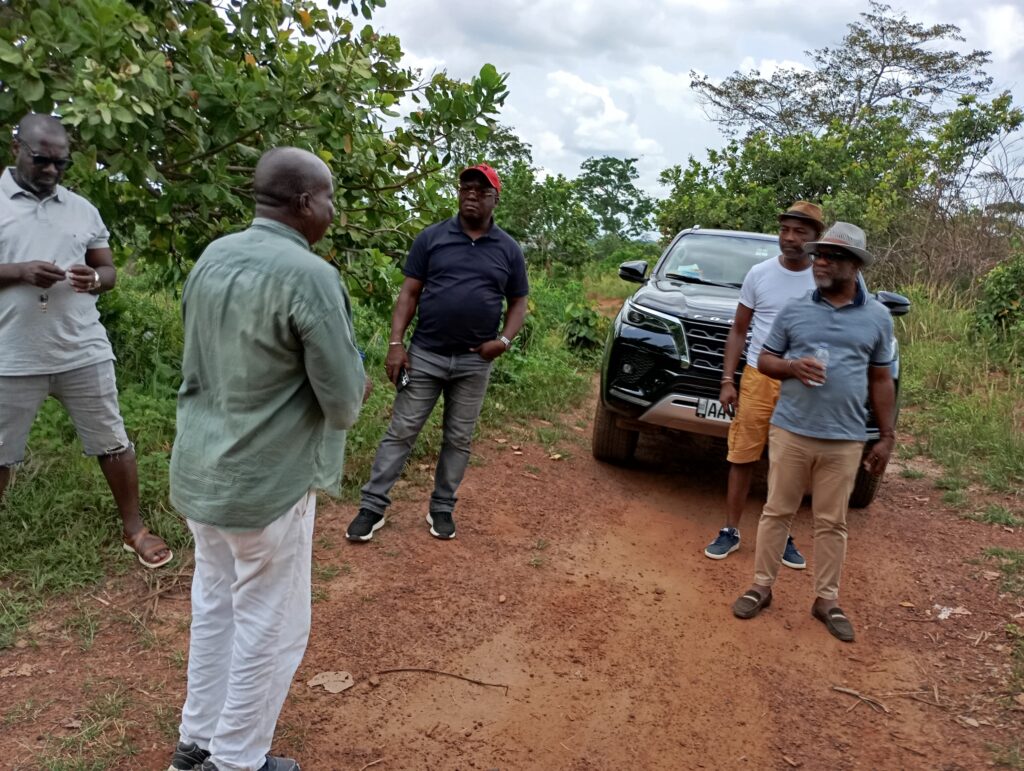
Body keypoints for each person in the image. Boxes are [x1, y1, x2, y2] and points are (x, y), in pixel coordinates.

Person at [166, 147, 366, 771]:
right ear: (305, 202)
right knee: (269, 627)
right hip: (267, 484)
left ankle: (195, 744)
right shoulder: (310, 276)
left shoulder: (214, 256)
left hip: (202, 471)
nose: (332, 211)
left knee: (215, 609)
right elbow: (343, 402)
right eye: (329, 198)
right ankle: (235, 762)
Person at [0, 113, 172, 568]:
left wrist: (95, 278)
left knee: (113, 441)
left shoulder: (81, 209)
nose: (51, 170)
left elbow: (108, 270)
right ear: (16, 147)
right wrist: (19, 271)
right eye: (41, 160)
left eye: (61, 163)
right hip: (11, 354)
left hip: (81, 349)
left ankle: (134, 530)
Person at [730, 222, 896, 643]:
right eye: (818, 254)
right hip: (791, 430)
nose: (819, 262)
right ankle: (761, 587)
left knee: (832, 521)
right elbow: (764, 360)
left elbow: (881, 379)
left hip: (845, 438)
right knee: (776, 512)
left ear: (855, 266)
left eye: (831, 256)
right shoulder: (795, 310)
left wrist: (886, 436)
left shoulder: (877, 317)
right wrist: (791, 366)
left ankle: (826, 599)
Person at [345, 163, 528, 542]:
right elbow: (409, 294)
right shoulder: (432, 238)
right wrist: (396, 345)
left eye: (481, 190)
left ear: (495, 199)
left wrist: (504, 341)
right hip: (425, 355)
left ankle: (442, 507)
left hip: (475, 361)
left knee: (458, 437)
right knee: (402, 430)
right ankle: (372, 507)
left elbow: (518, 303)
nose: (471, 195)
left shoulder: (509, 249)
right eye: (465, 188)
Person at [705, 202, 825, 565]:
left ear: (815, 238)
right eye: (785, 230)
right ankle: (730, 530)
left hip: (803, 383)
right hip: (760, 376)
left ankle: (783, 534)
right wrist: (728, 380)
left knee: (790, 462)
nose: (790, 238)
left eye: (800, 232)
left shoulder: (825, 278)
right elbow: (739, 330)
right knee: (742, 455)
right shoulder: (759, 274)